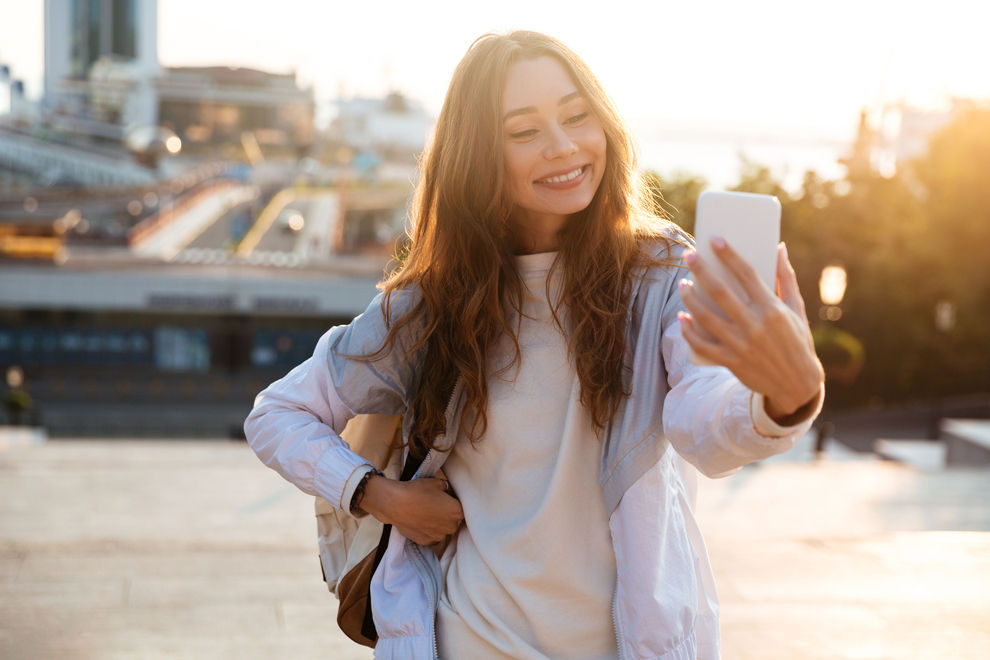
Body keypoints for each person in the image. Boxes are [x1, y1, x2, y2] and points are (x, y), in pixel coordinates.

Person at [244, 30, 824, 660]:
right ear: (478, 154)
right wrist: (378, 495)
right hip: (469, 639)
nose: (564, 146)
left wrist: (781, 400)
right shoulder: (430, 306)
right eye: (524, 131)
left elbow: (704, 424)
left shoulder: (660, 278)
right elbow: (276, 413)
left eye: (578, 117)